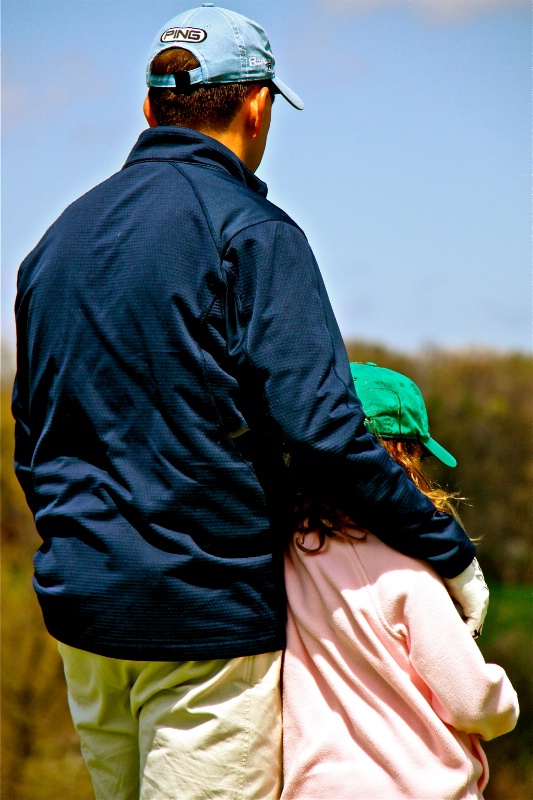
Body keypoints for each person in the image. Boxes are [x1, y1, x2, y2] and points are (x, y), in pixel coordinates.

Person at [12, 6, 488, 799]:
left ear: (149, 108)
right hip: (205, 623)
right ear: (258, 104)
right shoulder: (253, 234)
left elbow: (34, 439)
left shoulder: (54, 243)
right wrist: (447, 549)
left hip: (84, 615)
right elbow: (324, 432)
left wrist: (82, 551)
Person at [282, 361, 518, 800]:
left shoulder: (286, 555)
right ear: (402, 461)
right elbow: (469, 698)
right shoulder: (407, 570)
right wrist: (504, 704)